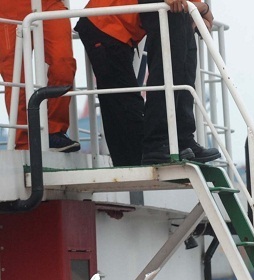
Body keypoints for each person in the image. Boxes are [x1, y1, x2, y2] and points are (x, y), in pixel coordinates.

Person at [137, 0, 219, 164]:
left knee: (185, 75)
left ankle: (183, 140)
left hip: (181, 11)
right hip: (165, 8)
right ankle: (156, 143)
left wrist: (200, 9)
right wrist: (201, 8)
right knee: (166, 74)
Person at [74, 1, 147, 166]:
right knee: (124, 103)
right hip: (106, 25)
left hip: (110, 26)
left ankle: (127, 161)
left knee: (116, 102)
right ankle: (135, 160)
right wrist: (201, 9)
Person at [0, 0, 79, 151]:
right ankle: (24, 142)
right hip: (7, 8)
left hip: (49, 4)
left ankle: (54, 131)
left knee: (63, 64)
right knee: (15, 79)